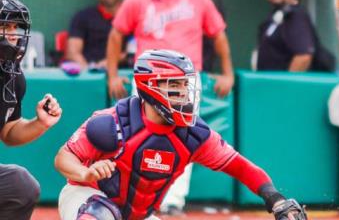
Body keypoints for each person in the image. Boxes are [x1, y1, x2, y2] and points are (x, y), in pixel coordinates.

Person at [54, 49, 306, 220]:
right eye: (174, 85)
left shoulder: (194, 135)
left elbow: (241, 168)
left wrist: (276, 200)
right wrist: (85, 173)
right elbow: (63, 158)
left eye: (185, 85)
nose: (183, 93)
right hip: (86, 200)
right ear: (148, 86)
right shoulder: (111, 122)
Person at [105, 0, 234, 214]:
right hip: (147, 77)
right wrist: (112, 73)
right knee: (135, 134)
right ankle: (132, 195)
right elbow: (116, 35)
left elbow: (219, 35)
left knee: (182, 138)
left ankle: (173, 200)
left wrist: (228, 72)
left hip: (184, 80)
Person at [0, 0, 63, 220]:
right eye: (4, 26)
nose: (12, 34)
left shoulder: (11, 76)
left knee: (21, 185)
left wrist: (40, 123)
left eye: (15, 27)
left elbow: (8, 132)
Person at [257, 0, 334, 72]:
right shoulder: (274, 16)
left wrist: (287, 86)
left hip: (282, 87)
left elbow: (303, 56)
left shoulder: (296, 15)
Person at [65, 0, 126, 71]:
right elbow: (73, 53)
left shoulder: (131, 17)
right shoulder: (82, 16)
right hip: (89, 73)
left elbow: (133, 51)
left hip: (123, 73)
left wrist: (109, 62)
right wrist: (88, 72)